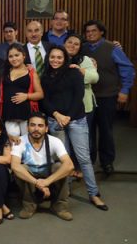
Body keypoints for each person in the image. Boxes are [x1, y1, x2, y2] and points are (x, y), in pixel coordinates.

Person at [41, 46, 108, 211]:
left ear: (65, 58)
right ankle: (65, 191)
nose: (55, 60)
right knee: (64, 159)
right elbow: (44, 101)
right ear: (48, 58)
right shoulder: (45, 77)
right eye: (52, 57)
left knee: (83, 158)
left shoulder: (74, 73)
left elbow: (78, 96)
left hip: (76, 119)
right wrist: (57, 115)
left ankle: (94, 194)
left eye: (59, 57)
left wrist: (68, 117)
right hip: (55, 120)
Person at [82, 20, 135, 174]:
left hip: (107, 96)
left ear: (101, 32)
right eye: (88, 31)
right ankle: (89, 162)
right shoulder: (82, 48)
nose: (90, 34)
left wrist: (125, 90)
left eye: (94, 31)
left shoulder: (112, 48)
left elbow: (127, 69)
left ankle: (107, 162)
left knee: (106, 130)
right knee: (87, 131)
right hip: (86, 97)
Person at [11, 112, 74, 221]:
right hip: (30, 176)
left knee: (60, 167)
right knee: (21, 169)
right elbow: (15, 166)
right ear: (27, 127)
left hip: (48, 173)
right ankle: (29, 205)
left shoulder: (55, 141)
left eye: (40, 126)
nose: (36, 129)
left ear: (46, 128)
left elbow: (69, 165)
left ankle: (59, 207)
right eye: (32, 125)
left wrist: (47, 182)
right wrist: (37, 183)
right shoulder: (20, 141)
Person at [0, 43, 43, 143]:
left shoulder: (31, 72)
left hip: (26, 115)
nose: (14, 59)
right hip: (8, 115)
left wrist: (27, 96)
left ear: (23, 56)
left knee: (28, 144)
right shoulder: (4, 71)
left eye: (17, 55)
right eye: (11, 56)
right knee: (14, 145)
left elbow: (40, 94)